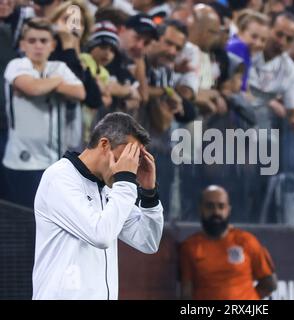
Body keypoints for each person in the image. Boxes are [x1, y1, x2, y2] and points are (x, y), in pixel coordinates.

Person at [33, 112, 164, 300]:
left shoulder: (109, 189)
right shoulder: (60, 177)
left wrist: (149, 193)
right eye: (124, 158)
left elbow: (148, 241)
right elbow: (100, 235)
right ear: (104, 144)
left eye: (134, 161)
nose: (129, 168)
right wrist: (125, 181)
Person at [3, 18, 85, 208]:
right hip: (22, 160)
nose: (38, 46)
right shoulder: (16, 65)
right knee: (23, 221)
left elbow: (80, 92)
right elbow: (32, 88)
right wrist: (57, 82)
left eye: (43, 41)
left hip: (54, 160)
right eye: (32, 41)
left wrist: (50, 82)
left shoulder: (58, 67)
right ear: (23, 45)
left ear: (52, 45)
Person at [179, 185, 277, 300]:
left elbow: (269, 283)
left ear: (228, 210)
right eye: (210, 206)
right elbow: (186, 294)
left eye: (221, 206)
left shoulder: (246, 241)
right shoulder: (190, 247)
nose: (216, 212)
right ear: (201, 209)